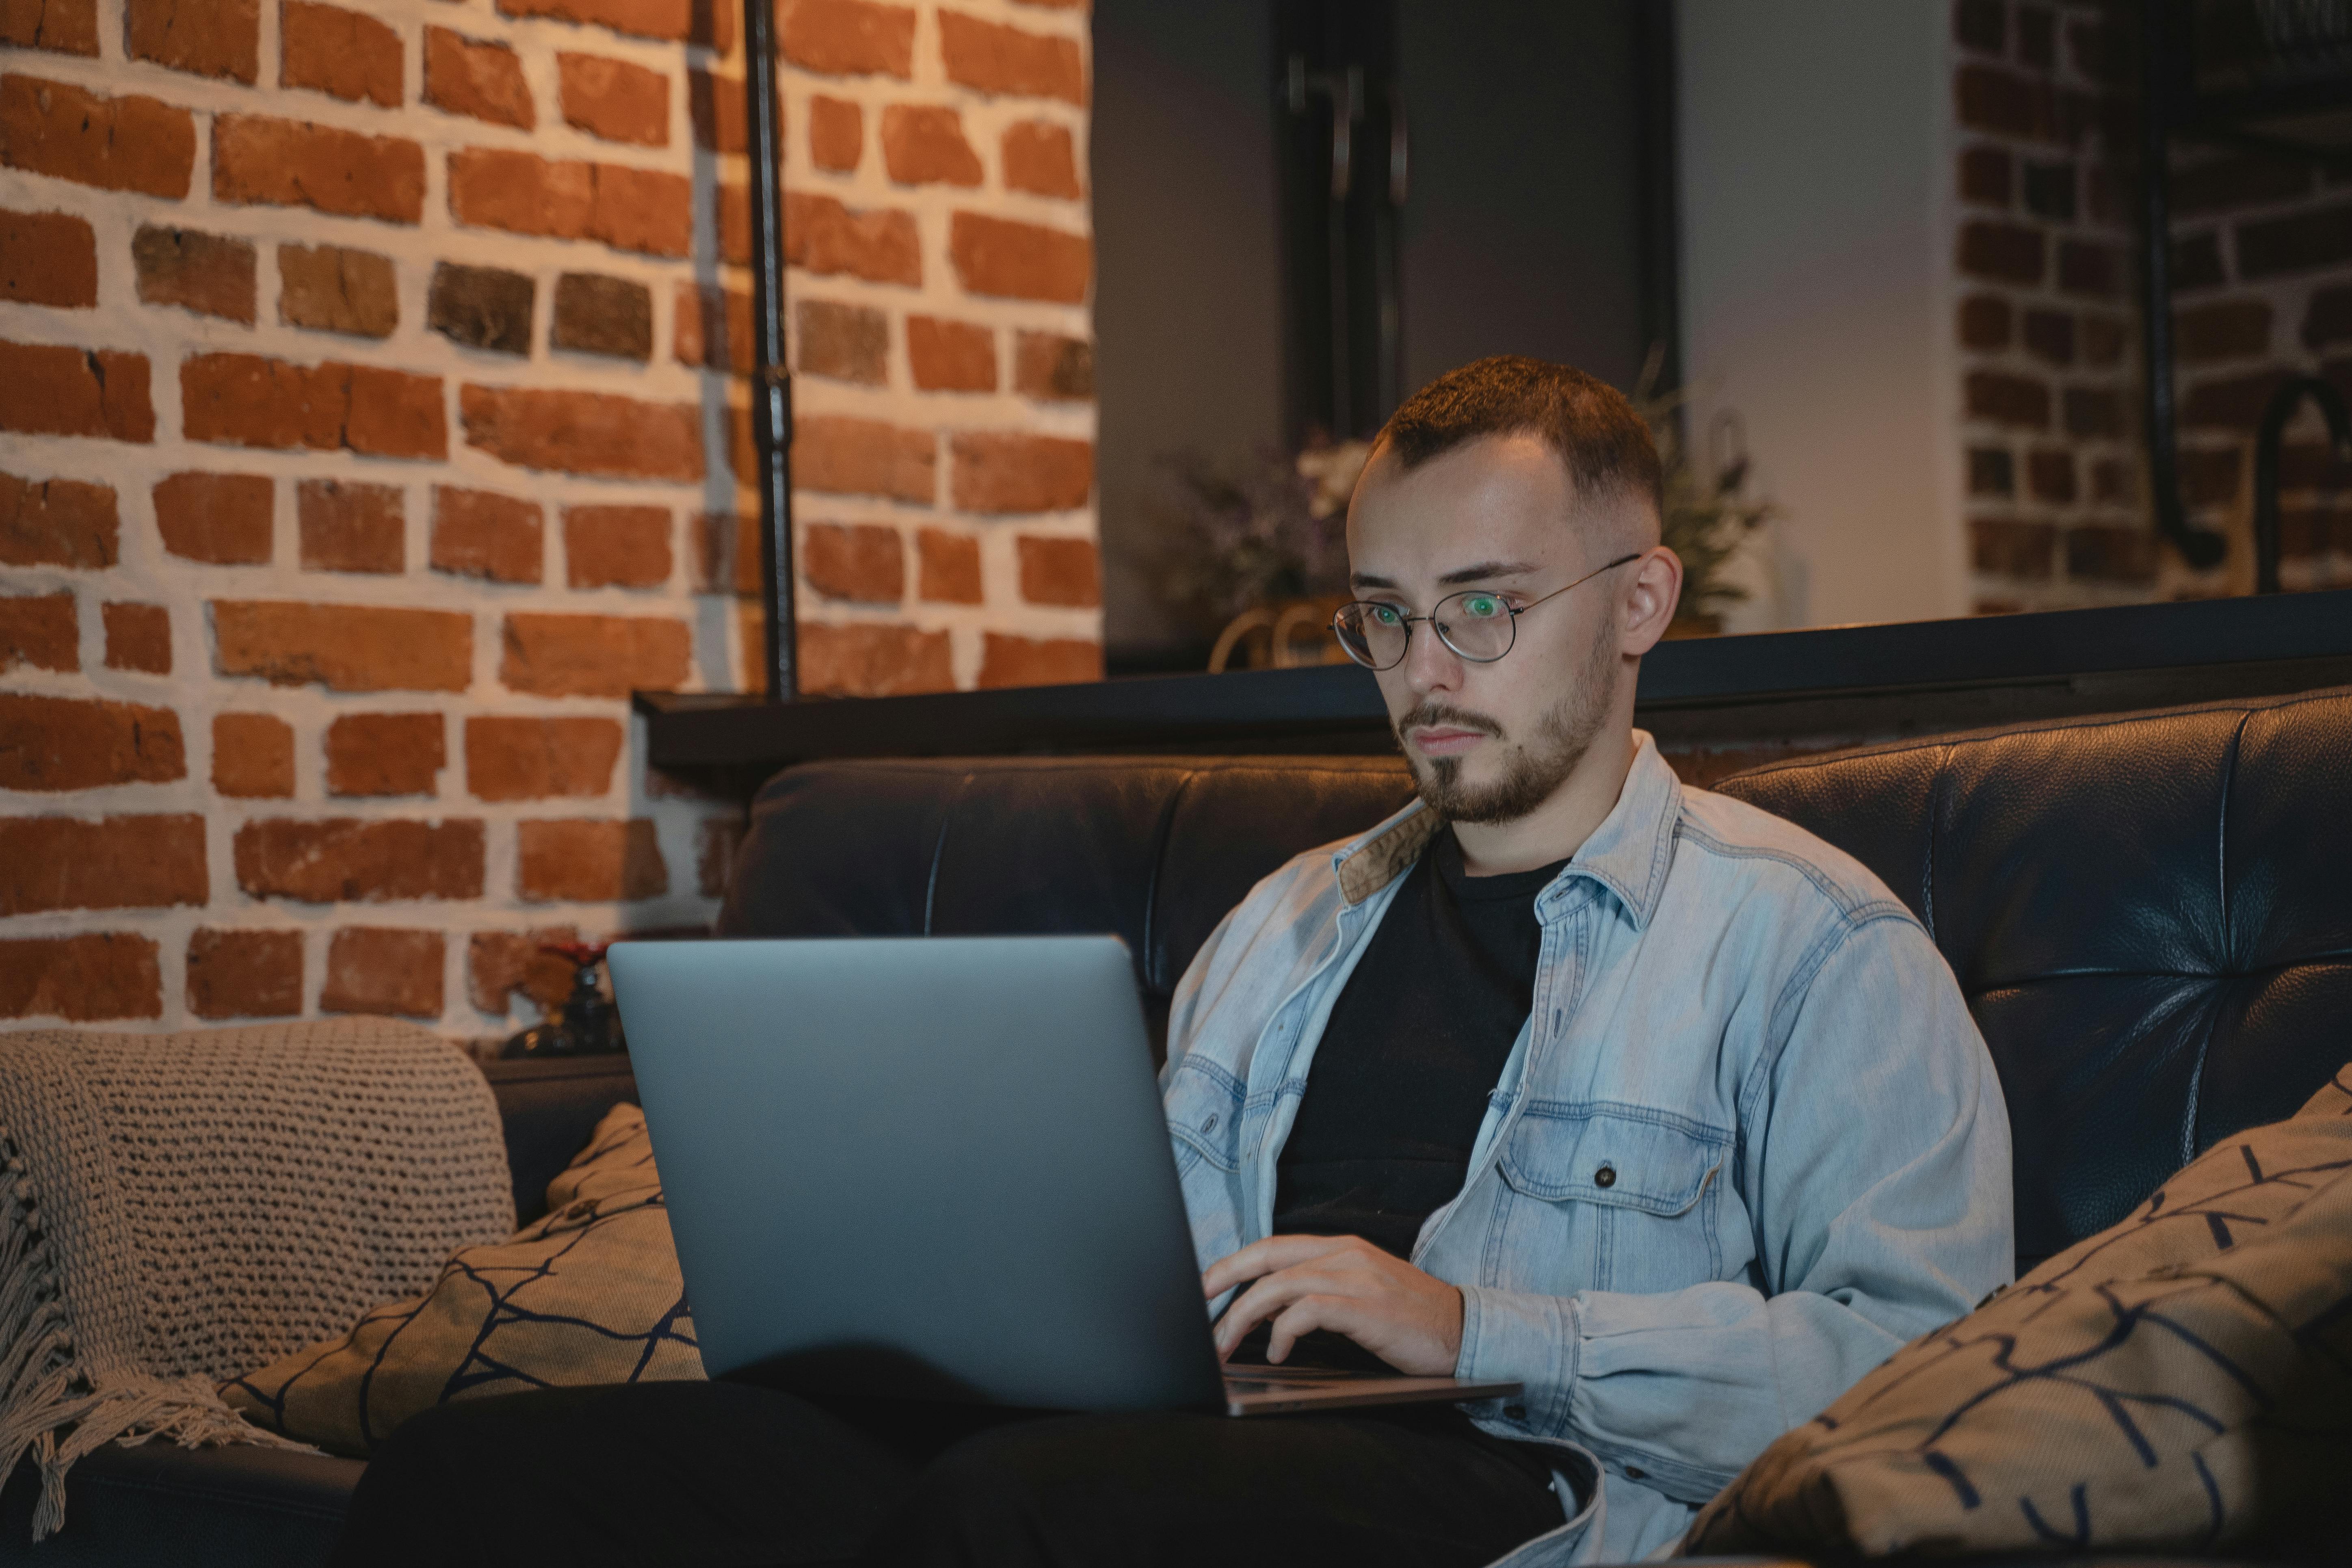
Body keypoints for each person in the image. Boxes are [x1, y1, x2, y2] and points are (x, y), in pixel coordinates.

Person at [331, 357, 2011, 1568]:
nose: (1424, 667)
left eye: (1484, 608)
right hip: (1182, 1455)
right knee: (487, 1481)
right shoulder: (1285, 926)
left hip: (1519, 1483)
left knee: (1026, 1514)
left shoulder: (1812, 945)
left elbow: (1919, 1375)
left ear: (1639, 601)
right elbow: (1153, 1288)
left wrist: (1473, 1326)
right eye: (1382, 613)